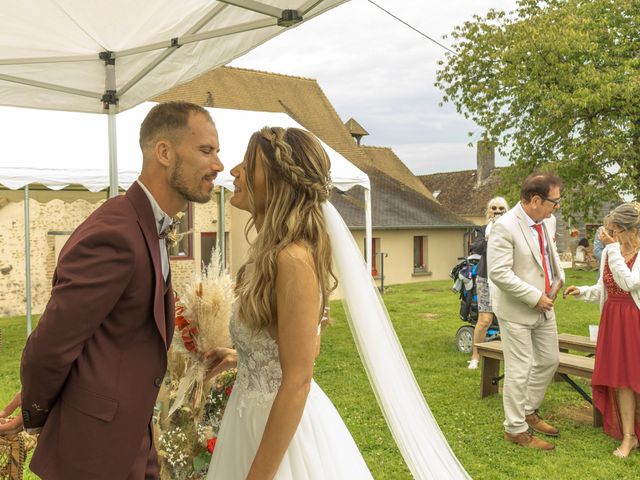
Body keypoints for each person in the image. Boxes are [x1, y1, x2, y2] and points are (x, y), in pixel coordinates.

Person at [20, 101, 223, 480]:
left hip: (133, 442)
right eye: (206, 150)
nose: (218, 165)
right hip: (93, 455)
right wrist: (39, 415)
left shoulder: (151, 225)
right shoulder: (115, 233)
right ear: (164, 152)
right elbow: (50, 345)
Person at [205, 127, 372, 479]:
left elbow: (298, 379)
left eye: (248, 164)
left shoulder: (293, 259)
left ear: (278, 181)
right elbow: (293, 345)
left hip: (281, 435)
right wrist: (243, 356)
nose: (233, 171)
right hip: (249, 421)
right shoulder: (267, 255)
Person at [487, 172, 565, 450]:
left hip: (546, 306)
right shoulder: (504, 226)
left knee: (548, 360)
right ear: (535, 200)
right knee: (519, 369)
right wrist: (534, 297)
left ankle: (528, 409)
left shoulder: (548, 221)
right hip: (517, 309)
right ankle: (515, 428)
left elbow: (546, 256)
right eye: (554, 201)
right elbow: (498, 273)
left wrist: (558, 280)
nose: (557, 206)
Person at [564, 203, 640, 458]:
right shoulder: (610, 253)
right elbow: (603, 287)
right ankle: (629, 436)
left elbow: (628, 282)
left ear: (630, 230)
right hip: (613, 320)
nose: (608, 235)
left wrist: (611, 249)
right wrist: (582, 292)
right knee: (622, 382)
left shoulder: (626, 253)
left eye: (614, 230)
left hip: (635, 319)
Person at [467, 196, 509, 369]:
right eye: (494, 208)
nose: (497, 211)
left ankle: (509, 353)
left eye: (501, 208)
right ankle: (475, 355)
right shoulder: (482, 230)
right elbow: (475, 249)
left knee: (507, 318)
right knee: (485, 319)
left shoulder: (511, 230)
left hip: (506, 279)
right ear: (488, 211)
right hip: (485, 277)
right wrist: (488, 236)